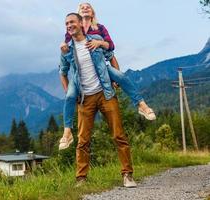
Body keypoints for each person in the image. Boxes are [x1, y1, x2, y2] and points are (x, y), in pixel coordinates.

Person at [59, 2, 156, 150]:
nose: (85, 8)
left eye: (88, 6)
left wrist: (99, 42)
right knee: (70, 96)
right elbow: (67, 55)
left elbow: (110, 47)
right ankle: (67, 132)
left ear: (92, 14)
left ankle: (141, 105)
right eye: (82, 6)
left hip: (102, 69)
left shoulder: (99, 29)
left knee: (122, 77)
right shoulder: (71, 32)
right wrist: (64, 50)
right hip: (82, 77)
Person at [59, 12, 137, 187]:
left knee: (119, 135)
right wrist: (69, 93)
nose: (69, 26)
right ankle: (81, 179)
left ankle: (127, 175)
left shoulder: (95, 40)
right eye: (66, 24)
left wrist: (116, 79)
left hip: (105, 94)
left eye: (71, 22)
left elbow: (111, 56)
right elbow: (62, 72)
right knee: (83, 140)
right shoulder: (67, 49)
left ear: (80, 23)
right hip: (85, 99)